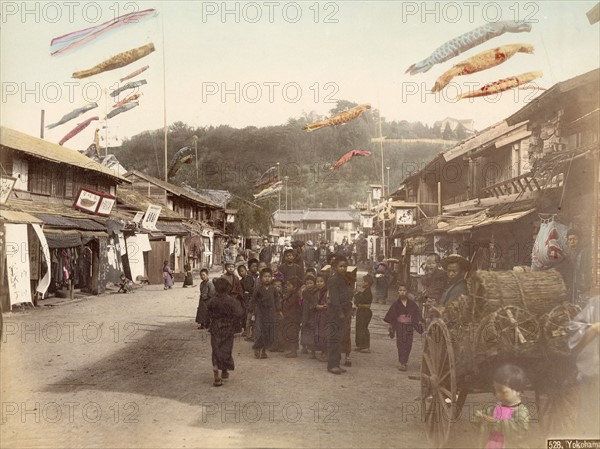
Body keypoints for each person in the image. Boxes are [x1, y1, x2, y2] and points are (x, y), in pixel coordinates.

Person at [474, 364, 531, 448]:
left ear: (518, 390)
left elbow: (518, 429)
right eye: (496, 390)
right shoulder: (497, 407)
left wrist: (495, 423)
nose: (498, 395)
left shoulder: (521, 411)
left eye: (503, 392)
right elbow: (485, 415)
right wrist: (480, 417)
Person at [568, 295, 600, 438]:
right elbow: (575, 334)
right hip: (594, 375)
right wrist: (594, 328)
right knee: (591, 419)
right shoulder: (596, 303)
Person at [207, 277, 245, 387]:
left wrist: (213, 317)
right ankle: (224, 370)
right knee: (226, 349)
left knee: (216, 349)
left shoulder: (213, 300)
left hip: (215, 327)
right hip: (228, 327)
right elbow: (239, 313)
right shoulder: (232, 301)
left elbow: (208, 310)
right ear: (227, 288)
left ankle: (216, 367)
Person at [384, 284, 423, 371]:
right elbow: (391, 316)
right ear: (398, 292)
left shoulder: (412, 304)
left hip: (409, 326)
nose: (402, 292)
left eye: (404, 291)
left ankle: (405, 361)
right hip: (399, 326)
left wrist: (419, 323)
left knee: (408, 343)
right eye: (400, 290)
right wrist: (391, 326)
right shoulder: (396, 304)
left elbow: (417, 314)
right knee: (401, 343)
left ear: (407, 292)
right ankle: (402, 362)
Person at [326, 256, 353, 375]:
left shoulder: (344, 278)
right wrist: (340, 313)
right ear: (335, 267)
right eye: (341, 266)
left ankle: (337, 363)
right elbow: (334, 298)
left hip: (344, 312)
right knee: (334, 339)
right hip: (335, 313)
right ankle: (332, 365)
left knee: (340, 339)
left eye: (345, 266)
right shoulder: (333, 279)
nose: (343, 268)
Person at [252, 268, 282, 359]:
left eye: (269, 276)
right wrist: (251, 311)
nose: (267, 278)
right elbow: (253, 300)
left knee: (268, 332)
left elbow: (277, 299)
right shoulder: (258, 289)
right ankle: (257, 348)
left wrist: (279, 309)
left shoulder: (273, 289)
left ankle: (264, 351)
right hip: (261, 312)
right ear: (261, 278)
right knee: (260, 331)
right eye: (265, 276)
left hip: (271, 313)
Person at [558, 229, 593, 304]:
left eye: (575, 239)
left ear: (579, 240)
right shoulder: (565, 258)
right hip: (569, 290)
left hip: (581, 289)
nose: (572, 242)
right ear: (567, 241)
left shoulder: (584, 255)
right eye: (570, 239)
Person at [281, 276, 303, 358]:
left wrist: (284, 300)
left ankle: (294, 351)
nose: (287, 286)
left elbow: (289, 304)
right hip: (290, 317)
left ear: (295, 287)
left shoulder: (295, 295)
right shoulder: (291, 294)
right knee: (290, 334)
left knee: (293, 334)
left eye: (289, 285)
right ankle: (292, 350)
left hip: (293, 318)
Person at [354, 274, 374, 353]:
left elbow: (367, 305)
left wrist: (359, 304)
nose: (362, 283)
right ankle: (360, 345)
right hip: (361, 311)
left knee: (363, 328)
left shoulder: (368, 292)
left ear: (367, 283)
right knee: (359, 328)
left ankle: (365, 346)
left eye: (363, 281)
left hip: (365, 312)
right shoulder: (364, 291)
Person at [301, 275, 319, 359]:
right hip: (305, 313)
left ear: (314, 284)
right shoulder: (304, 292)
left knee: (313, 332)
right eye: (307, 283)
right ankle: (304, 347)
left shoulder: (317, 292)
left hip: (313, 313)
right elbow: (303, 302)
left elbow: (315, 303)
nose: (309, 285)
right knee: (305, 330)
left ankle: (313, 351)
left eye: (311, 283)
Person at [314, 273, 329, 361]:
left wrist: (322, 306)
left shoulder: (327, 292)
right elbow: (314, 303)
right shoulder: (317, 292)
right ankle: (323, 351)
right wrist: (316, 306)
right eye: (317, 281)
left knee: (325, 334)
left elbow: (328, 303)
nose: (319, 283)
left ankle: (326, 352)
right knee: (320, 333)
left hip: (325, 315)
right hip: (318, 315)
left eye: (321, 281)